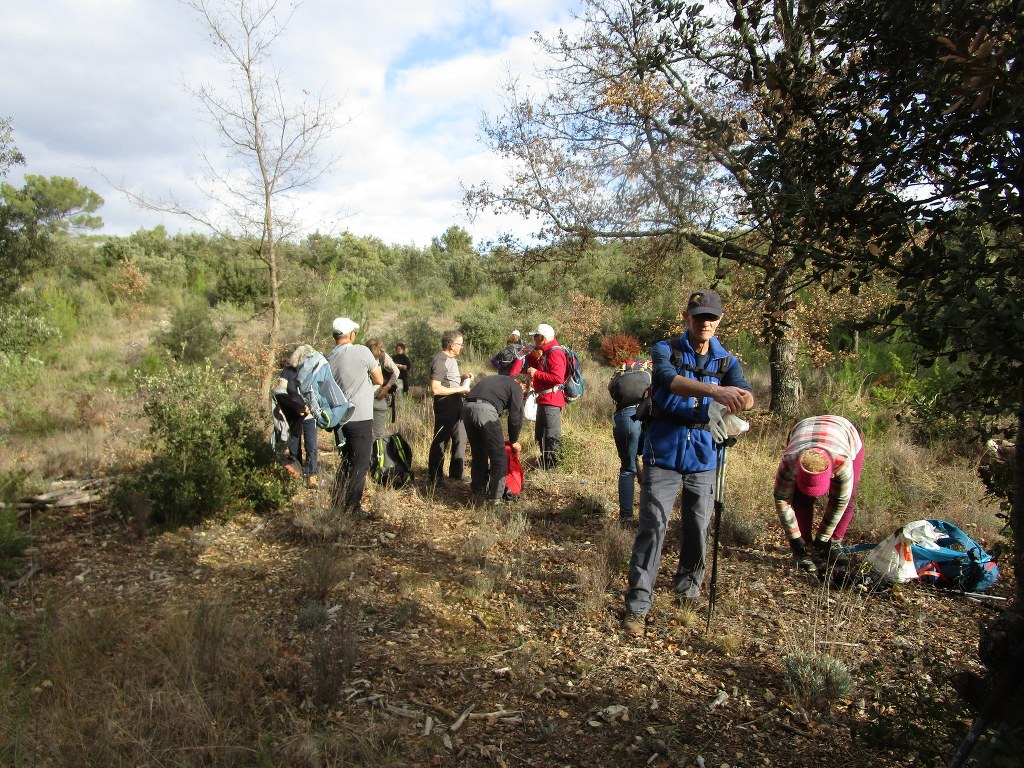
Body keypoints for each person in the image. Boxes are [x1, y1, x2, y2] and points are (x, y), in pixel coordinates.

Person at [622, 289, 754, 637]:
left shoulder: (728, 361)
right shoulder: (665, 349)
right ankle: (637, 605)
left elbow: (744, 393)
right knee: (653, 526)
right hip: (663, 452)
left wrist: (745, 399)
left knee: (697, 526)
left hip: (706, 455)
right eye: (699, 317)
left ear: (720, 319)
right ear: (687, 317)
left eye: (712, 317)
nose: (705, 323)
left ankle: (689, 592)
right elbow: (667, 381)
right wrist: (714, 393)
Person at [773, 415, 864, 573]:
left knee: (850, 498)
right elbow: (782, 499)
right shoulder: (790, 462)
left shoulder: (842, 463)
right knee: (801, 499)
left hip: (845, 432)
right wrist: (795, 540)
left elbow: (839, 502)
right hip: (803, 430)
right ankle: (804, 547)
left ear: (831, 474)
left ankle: (833, 542)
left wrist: (824, 537)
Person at [326, 317, 383, 519]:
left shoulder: (329, 357)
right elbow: (379, 379)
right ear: (351, 335)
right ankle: (352, 508)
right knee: (360, 463)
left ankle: (337, 501)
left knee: (348, 459)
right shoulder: (361, 351)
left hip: (340, 418)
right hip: (360, 416)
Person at [463, 372, 530, 502]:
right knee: (499, 456)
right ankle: (496, 499)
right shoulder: (516, 387)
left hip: (466, 408)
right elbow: (515, 417)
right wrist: (514, 440)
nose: (523, 395)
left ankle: (478, 491)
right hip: (485, 411)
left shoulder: (496, 379)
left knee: (479, 452)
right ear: (522, 384)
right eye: (524, 391)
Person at [608, 358, 652, 525]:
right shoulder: (649, 372)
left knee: (627, 468)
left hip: (624, 417)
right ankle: (649, 517)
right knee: (652, 466)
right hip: (647, 414)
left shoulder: (620, 373)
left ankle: (626, 518)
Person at [427, 330, 472, 486]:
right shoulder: (440, 361)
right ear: (452, 345)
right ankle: (435, 478)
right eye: (460, 344)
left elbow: (448, 381)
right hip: (445, 405)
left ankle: (456, 473)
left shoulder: (451, 359)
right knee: (441, 440)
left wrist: (462, 378)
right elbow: (436, 389)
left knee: (461, 437)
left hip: (457, 403)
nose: (461, 347)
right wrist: (461, 389)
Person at [273, 346, 319, 487]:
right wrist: (294, 407)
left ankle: (311, 476)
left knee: (311, 446)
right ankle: (296, 475)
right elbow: (280, 390)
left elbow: (318, 391)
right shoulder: (288, 370)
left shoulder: (312, 371)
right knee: (294, 447)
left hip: (309, 414)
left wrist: (310, 408)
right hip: (293, 414)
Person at [526, 323, 567, 469]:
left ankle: (553, 467)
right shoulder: (545, 351)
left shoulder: (555, 352)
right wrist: (530, 355)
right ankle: (545, 463)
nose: (534, 340)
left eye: (536, 337)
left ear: (543, 337)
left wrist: (537, 374)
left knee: (551, 435)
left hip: (552, 400)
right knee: (541, 435)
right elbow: (537, 368)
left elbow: (558, 378)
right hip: (544, 399)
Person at [366, 338, 398, 439]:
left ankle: (379, 454)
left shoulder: (383, 356)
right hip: (364, 401)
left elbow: (396, 371)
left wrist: (387, 387)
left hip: (379, 399)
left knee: (378, 434)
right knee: (367, 434)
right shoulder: (362, 356)